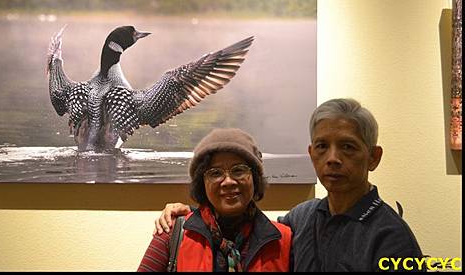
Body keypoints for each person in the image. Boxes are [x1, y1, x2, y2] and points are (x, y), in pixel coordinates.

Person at [154, 98, 425, 272]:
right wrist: (191, 213)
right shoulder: (302, 218)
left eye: (347, 147)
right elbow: (248, 227)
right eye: (322, 146)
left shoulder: (392, 237)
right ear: (311, 154)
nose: (332, 159)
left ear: (373, 157)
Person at [137, 128, 292, 272]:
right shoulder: (174, 233)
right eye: (215, 173)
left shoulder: (283, 240)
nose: (228, 181)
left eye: (238, 170)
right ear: (201, 182)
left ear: (255, 178)